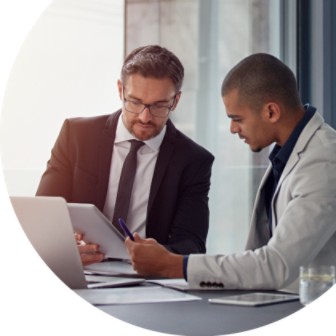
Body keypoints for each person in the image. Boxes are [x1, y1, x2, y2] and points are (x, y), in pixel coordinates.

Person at [124, 52, 336, 292]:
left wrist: (172, 265)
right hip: (277, 300)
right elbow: (259, 257)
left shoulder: (326, 163)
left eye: (237, 118)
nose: (233, 129)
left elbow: (276, 265)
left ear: (271, 112)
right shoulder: (290, 154)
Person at [36, 45, 214, 265]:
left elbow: (192, 244)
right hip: (79, 269)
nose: (145, 117)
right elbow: (42, 216)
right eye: (135, 102)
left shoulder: (194, 161)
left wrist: (158, 255)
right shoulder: (76, 135)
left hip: (147, 280)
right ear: (120, 90)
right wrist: (65, 246)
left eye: (159, 106)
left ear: (175, 101)